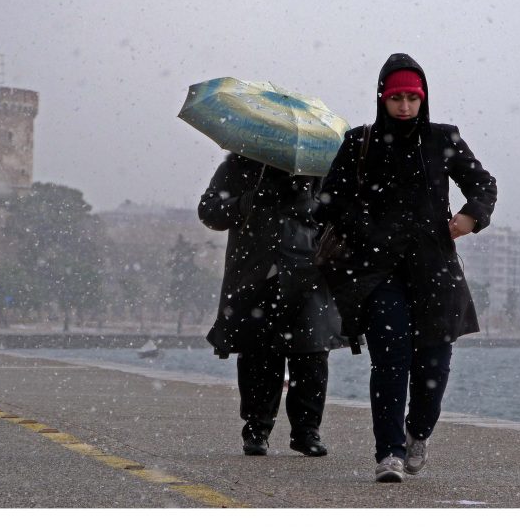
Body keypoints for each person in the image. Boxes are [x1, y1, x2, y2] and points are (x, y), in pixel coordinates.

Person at [315, 53, 497, 482]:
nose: (404, 107)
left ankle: (418, 431)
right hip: (379, 274)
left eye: (411, 98)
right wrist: (363, 225)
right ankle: (389, 453)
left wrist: (470, 216)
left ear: (423, 99)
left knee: (435, 363)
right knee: (391, 361)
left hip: (434, 268)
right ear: (382, 97)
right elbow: (329, 202)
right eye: (396, 97)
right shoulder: (358, 142)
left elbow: (483, 184)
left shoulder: (442, 139)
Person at [199, 155, 347, 457]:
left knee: (312, 355)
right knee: (258, 355)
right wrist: (249, 201)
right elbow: (210, 212)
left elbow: (338, 213)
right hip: (256, 274)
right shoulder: (238, 165)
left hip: (309, 272)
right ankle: (256, 429)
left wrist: (307, 203)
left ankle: (306, 432)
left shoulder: (319, 166)